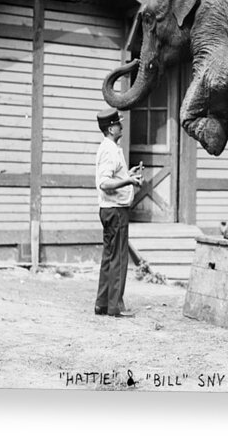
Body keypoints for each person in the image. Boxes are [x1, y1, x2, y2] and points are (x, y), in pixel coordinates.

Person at [94, 108, 142, 317]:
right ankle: (115, 306)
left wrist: (126, 174)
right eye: (118, 124)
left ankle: (102, 303)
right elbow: (104, 183)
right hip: (116, 211)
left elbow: (112, 175)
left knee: (109, 257)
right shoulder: (110, 150)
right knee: (118, 259)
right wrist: (129, 180)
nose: (122, 127)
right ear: (111, 128)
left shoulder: (109, 148)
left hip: (109, 210)